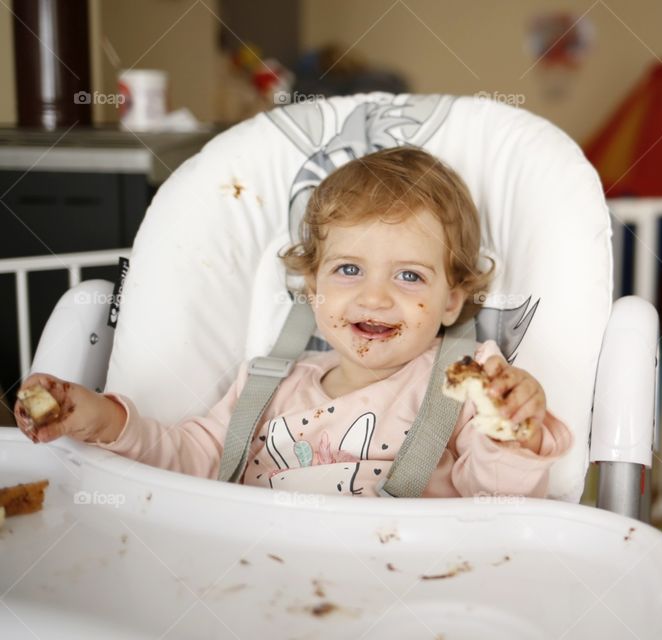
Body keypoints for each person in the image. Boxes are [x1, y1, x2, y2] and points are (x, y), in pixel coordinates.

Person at [14, 146, 573, 498]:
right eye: (349, 269)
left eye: (409, 277)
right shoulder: (265, 384)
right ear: (312, 286)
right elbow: (187, 462)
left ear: (453, 301)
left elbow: (499, 508)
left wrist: (511, 427)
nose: (374, 297)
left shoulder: (466, 383)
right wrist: (102, 419)